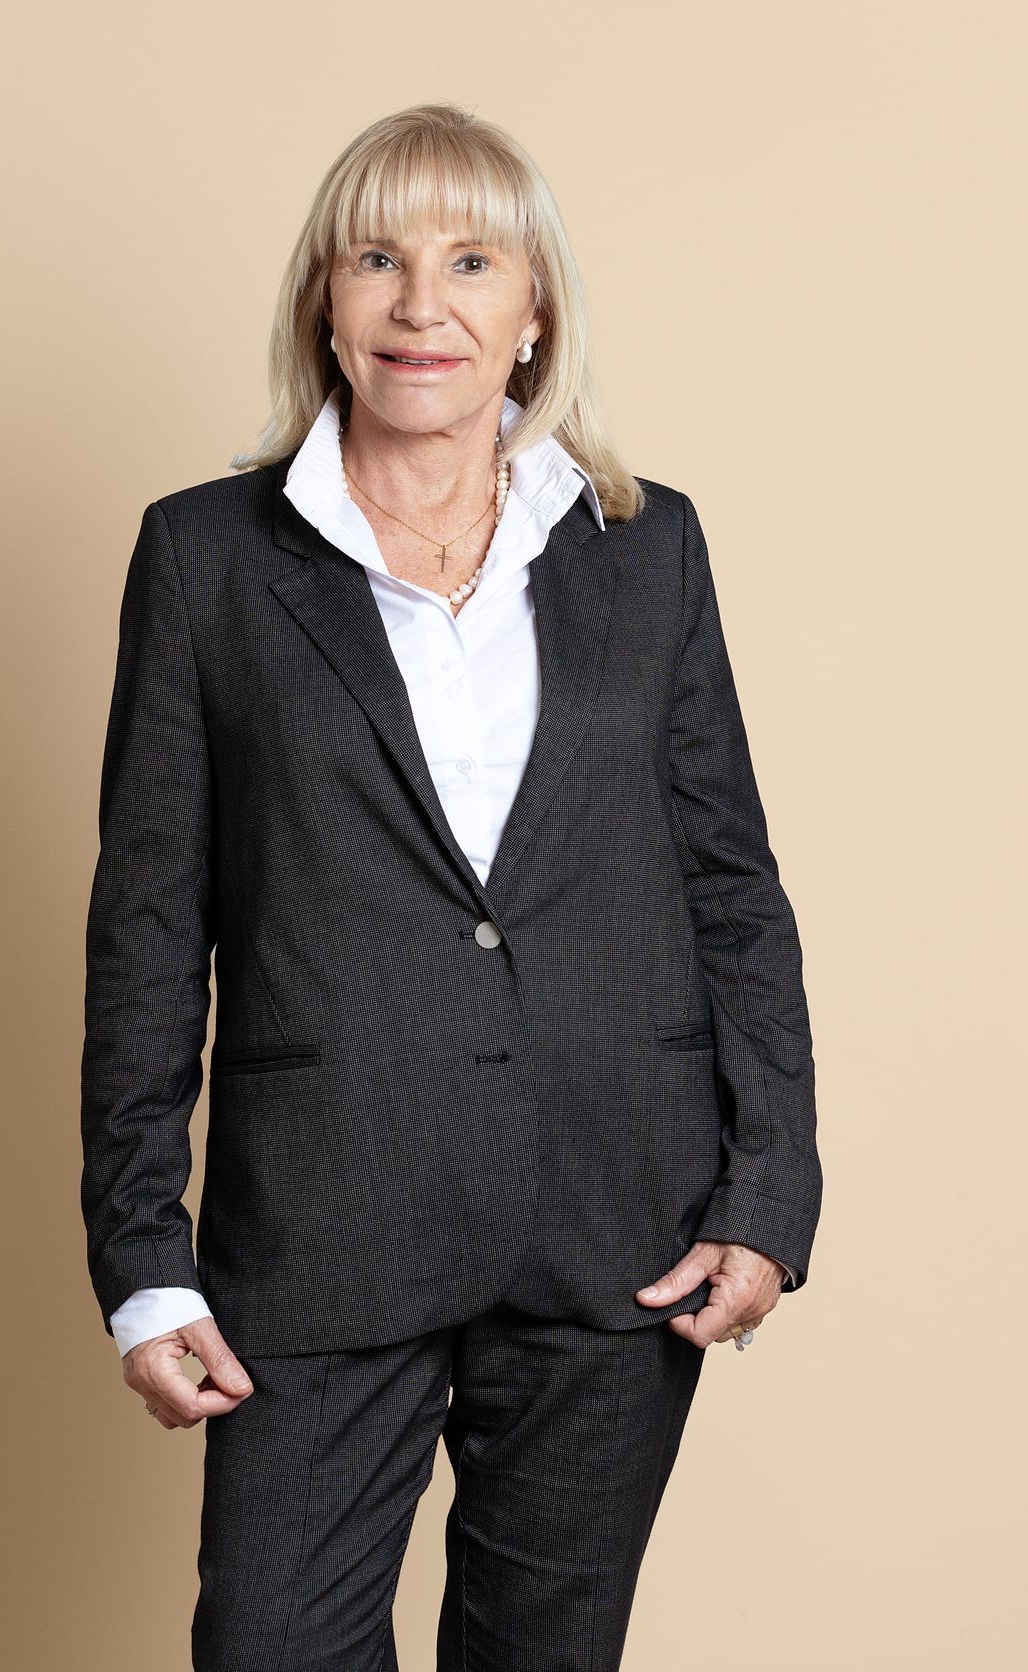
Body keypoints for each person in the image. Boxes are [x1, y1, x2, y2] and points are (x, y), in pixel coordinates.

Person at [79, 100, 823, 1668]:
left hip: (618, 1220)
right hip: (323, 1221)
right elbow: (148, 929)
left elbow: (730, 888)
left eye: (473, 260)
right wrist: (143, 1258)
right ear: (325, 302)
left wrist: (768, 1194)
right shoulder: (208, 560)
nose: (424, 302)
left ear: (534, 308)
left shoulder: (645, 549)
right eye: (378, 258)